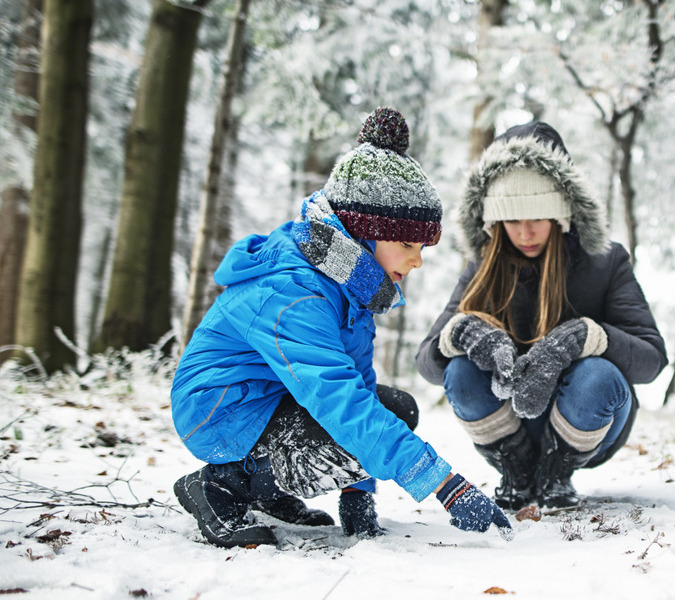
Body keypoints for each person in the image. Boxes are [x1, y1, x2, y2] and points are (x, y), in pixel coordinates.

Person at [171, 107, 512, 548]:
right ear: (362, 233)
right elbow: (338, 401)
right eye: (407, 244)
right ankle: (220, 483)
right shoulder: (295, 294)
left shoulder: (348, 284)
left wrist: (358, 494)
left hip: (272, 398)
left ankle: (263, 486)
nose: (417, 260)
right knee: (353, 423)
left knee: (396, 408)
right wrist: (446, 487)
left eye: (422, 246)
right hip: (220, 410)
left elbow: (359, 388)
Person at [417, 121, 667, 510]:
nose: (526, 231)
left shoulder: (605, 261)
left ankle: (556, 472)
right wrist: (462, 334)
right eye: (512, 219)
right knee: (459, 370)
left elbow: (651, 361)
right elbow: (428, 365)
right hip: (508, 422)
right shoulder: (483, 265)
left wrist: (587, 337)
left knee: (597, 376)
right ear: (495, 221)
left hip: (584, 418)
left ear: (562, 212)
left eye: (538, 216)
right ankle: (516, 471)